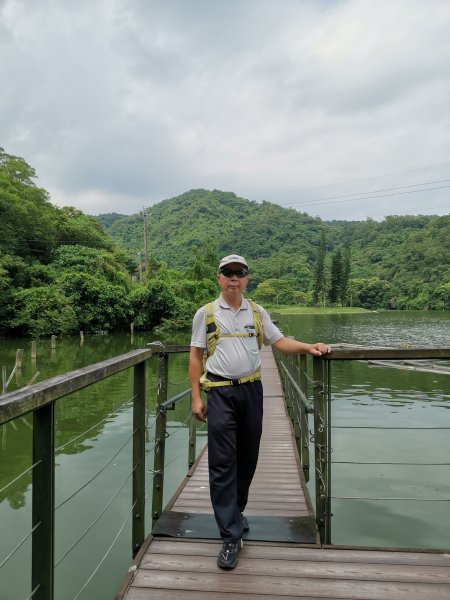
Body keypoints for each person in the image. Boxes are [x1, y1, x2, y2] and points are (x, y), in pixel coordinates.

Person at [189, 254, 330, 570]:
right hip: (220, 392)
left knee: (248, 457)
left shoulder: (257, 311)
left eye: (240, 273)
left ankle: (236, 511)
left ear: (247, 279)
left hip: (252, 391)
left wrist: (310, 347)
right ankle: (230, 535)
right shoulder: (206, 313)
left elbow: (280, 343)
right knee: (223, 462)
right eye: (228, 273)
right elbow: (195, 356)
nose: (234, 278)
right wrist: (196, 397)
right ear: (219, 278)